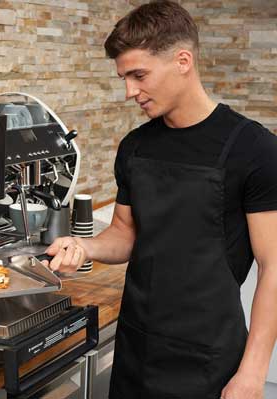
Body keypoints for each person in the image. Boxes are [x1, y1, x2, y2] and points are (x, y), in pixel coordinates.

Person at [43, 1, 277, 398]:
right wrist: (84, 246)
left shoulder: (253, 148)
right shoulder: (135, 147)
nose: (130, 91)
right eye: (124, 78)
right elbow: (124, 234)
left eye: (139, 75)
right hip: (138, 351)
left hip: (210, 359)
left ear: (182, 60)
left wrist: (252, 373)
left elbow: (273, 266)